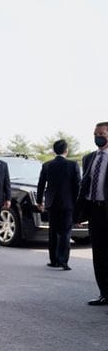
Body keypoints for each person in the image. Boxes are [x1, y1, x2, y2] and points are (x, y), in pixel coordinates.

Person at [77, 122, 108, 306]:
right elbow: (84, 186)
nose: (98, 136)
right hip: (95, 211)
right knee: (99, 253)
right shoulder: (89, 158)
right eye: (96, 133)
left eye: (102, 133)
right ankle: (104, 293)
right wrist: (79, 214)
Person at [36, 140, 80, 271]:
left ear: (54, 151)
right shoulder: (73, 165)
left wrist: (39, 201)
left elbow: (41, 184)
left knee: (53, 232)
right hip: (68, 204)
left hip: (52, 203)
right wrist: (78, 204)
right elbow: (77, 186)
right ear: (66, 150)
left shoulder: (47, 165)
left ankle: (53, 260)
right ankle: (63, 262)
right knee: (66, 233)